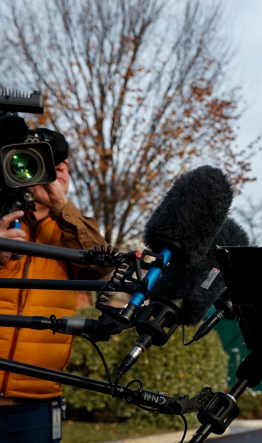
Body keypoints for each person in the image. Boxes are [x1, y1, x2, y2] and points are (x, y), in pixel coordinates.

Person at [0, 121, 111, 443]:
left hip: (37, 401)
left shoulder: (72, 231)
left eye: (62, 167)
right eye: (44, 163)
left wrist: (62, 207)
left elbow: (102, 266)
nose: (57, 171)